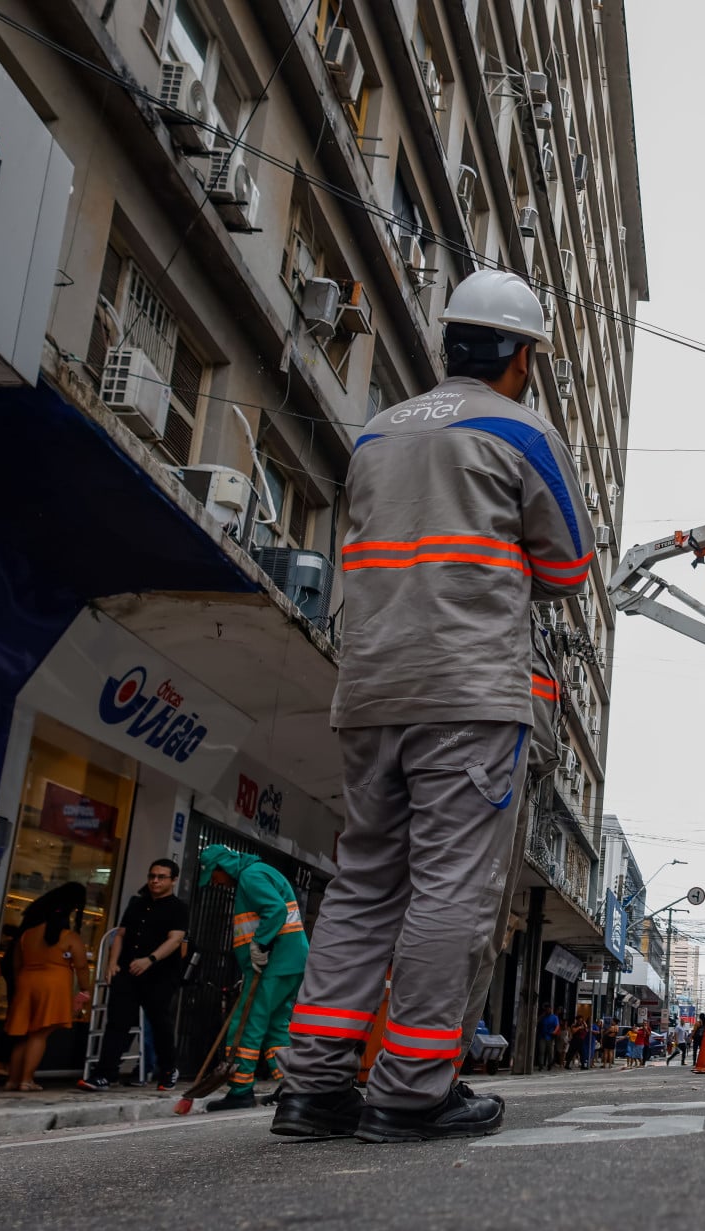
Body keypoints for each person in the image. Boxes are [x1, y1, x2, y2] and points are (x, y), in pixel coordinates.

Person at [271, 270, 590, 1144]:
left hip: (371, 687)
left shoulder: (378, 431)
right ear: (520, 357)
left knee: (367, 881)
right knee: (452, 884)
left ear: (451, 343)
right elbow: (566, 570)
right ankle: (412, 1087)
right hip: (469, 692)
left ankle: (313, 1087)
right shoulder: (522, 431)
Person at [199, 845, 309, 1111]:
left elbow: (275, 910)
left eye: (214, 876)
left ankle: (240, 1089)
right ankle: (290, 1086)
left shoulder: (251, 876)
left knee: (246, 1025)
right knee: (275, 1027)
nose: (216, 883)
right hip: (289, 963)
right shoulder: (262, 872)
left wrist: (259, 945)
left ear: (222, 868)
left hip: (273, 965)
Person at [81, 859, 189, 1091]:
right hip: (128, 971)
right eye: (152, 876)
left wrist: (150, 960)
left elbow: (175, 939)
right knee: (117, 1023)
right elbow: (120, 935)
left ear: (173, 880)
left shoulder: (178, 907)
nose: (155, 881)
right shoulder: (137, 904)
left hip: (159, 975)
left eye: (161, 877)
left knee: (160, 1024)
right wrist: (112, 963)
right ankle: (104, 1074)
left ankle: (168, 1069)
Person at [5, 883, 90, 1091]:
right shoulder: (69, 937)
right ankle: (27, 1080)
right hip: (54, 984)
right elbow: (81, 967)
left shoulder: (27, 935)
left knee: (23, 1034)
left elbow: (16, 964)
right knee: (39, 1034)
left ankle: (12, 1080)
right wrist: (85, 991)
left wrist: (19, 985)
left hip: (26, 981)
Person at [538, 1005, 560, 1070]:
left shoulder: (554, 1017)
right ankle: (541, 1065)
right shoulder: (543, 1017)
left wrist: (554, 1031)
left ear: (551, 1009)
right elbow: (537, 1021)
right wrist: (542, 1015)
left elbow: (557, 1026)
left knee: (550, 1051)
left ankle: (550, 1064)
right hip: (543, 1036)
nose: (548, 1010)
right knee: (541, 1050)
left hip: (550, 1036)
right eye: (546, 1009)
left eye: (549, 1009)